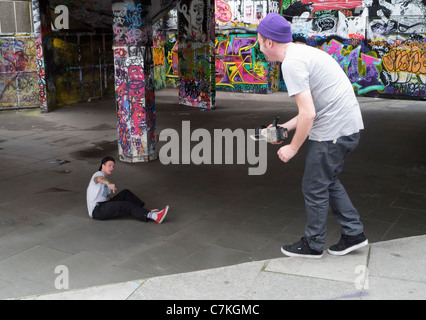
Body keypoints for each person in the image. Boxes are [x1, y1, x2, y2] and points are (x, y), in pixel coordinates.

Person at [257, 13, 368, 258]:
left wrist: (293, 148)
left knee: (314, 186)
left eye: (259, 41)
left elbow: (308, 114)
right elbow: (313, 108)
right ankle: (353, 232)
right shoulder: (301, 53)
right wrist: (285, 127)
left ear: (269, 42)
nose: (259, 48)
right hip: (344, 127)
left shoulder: (291, 63)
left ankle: (314, 243)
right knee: (327, 181)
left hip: (333, 132)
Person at [86, 156, 169, 223]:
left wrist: (116, 203)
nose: (112, 168)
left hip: (104, 205)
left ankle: (142, 211)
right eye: (109, 165)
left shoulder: (105, 179)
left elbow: (106, 197)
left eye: (113, 166)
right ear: (103, 166)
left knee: (125, 193)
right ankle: (156, 217)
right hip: (97, 210)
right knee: (127, 204)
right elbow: (99, 179)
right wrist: (108, 183)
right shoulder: (98, 174)